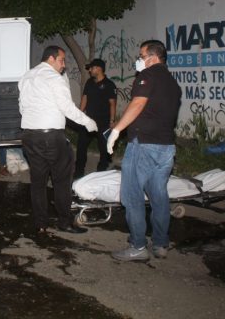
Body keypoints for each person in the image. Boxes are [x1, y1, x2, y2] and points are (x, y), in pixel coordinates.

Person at [106, 40, 181, 261]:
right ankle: (160, 243)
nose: (138, 60)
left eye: (141, 56)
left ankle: (138, 246)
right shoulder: (172, 82)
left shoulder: (147, 75)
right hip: (166, 147)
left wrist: (117, 130)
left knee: (132, 196)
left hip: (144, 146)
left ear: (153, 57)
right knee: (159, 196)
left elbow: (138, 104)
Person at [18, 45, 98, 235]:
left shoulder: (26, 76)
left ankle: (40, 224)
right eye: (62, 60)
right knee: (62, 181)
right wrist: (88, 122)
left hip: (29, 136)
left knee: (38, 182)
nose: (64, 65)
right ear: (51, 59)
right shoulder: (54, 78)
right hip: (51, 137)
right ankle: (64, 222)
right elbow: (67, 108)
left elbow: (22, 107)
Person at [74, 58, 117, 178]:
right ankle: (78, 172)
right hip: (89, 121)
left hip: (103, 122)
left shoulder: (109, 85)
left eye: (91, 68)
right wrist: (79, 114)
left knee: (104, 149)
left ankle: (101, 173)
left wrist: (112, 121)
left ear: (98, 69)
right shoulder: (89, 82)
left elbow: (112, 104)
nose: (90, 70)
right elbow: (85, 98)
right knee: (81, 146)